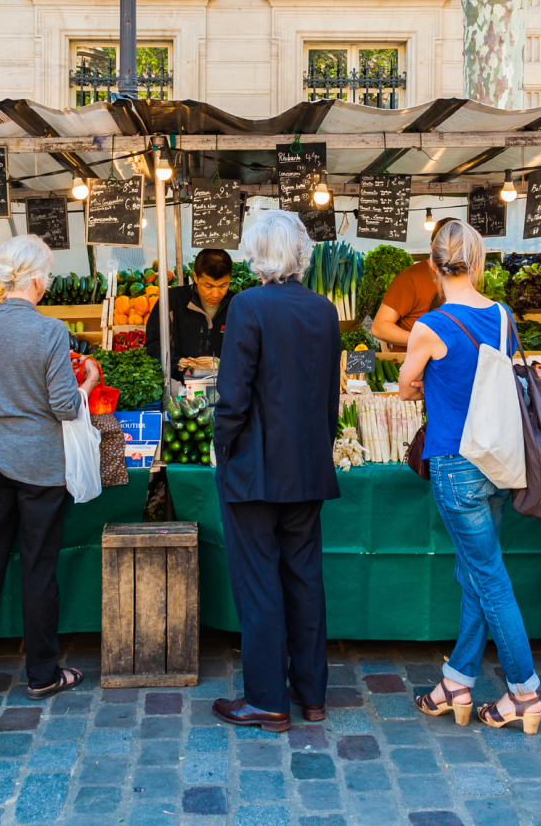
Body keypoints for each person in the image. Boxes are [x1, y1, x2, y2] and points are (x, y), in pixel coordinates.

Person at [399, 220, 541, 734]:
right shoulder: (503, 316)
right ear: (478, 262)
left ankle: (524, 690)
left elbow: (404, 387)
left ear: (433, 265)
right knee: (476, 574)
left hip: (456, 465)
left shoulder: (430, 325)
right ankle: (456, 681)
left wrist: (427, 387)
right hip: (498, 460)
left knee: (488, 578)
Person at [211, 209, 341, 732]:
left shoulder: (248, 305)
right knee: (305, 578)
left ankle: (266, 699)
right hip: (307, 465)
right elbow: (329, 396)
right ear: (300, 254)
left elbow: (232, 396)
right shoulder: (324, 309)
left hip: (255, 471)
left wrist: (224, 449)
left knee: (259, 581)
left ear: (256, 254)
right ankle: (312, 696)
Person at [0, 235, 99, 702]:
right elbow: (62, 406)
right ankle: (41, 674)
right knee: (38, 568)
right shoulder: (50, 331)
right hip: (39, 466)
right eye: (49, 277)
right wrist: (90, 382)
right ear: (37, 279)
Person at [145, 249, 233, 382]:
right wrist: (181, 368)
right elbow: (154, 345)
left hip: (227, 385)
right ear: (195, 277)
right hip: (178, 386)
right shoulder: (171, 300)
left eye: (223, 286)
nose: (216, 294)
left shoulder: (237, 305)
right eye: (208, 286)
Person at [371, 218, 457, 350]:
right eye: (445, 245)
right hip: (413, 364)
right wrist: (425, 341)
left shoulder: (463, 278)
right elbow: (379, 328)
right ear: (433, 246)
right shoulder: (408, 279)